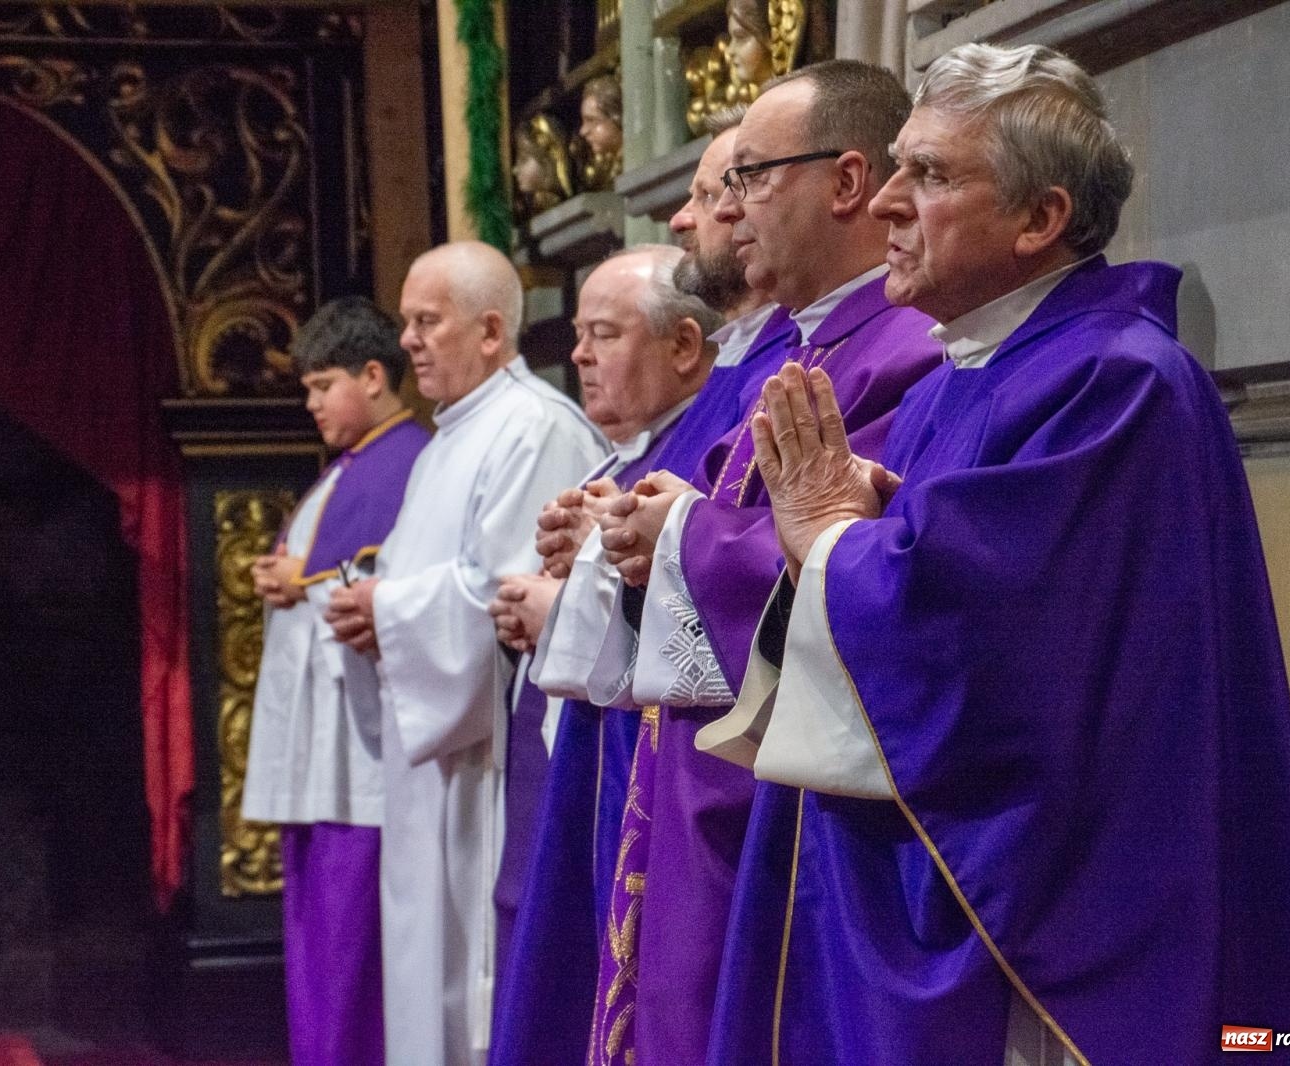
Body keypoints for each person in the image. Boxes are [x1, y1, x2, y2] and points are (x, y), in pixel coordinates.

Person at [707, 42, 1290, 1066]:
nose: (888, 204)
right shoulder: (960, 377)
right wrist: (866, 529)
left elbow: (997, 656)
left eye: (929, 174)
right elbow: (963, 579)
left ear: (1040, 218)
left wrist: (831, 538)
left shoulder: (1114, 382)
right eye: (898, 166)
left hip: (1067, 914)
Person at [581, 61, 944, 1065]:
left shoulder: (903, 350)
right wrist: (644, 526)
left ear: (846, 181)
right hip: (713, 772)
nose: (726, 209)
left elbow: (859, 563)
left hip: (783, 797)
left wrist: (678, 536)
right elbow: (733, 510)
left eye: (750, 177)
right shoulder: (802, 349)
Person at [323, 241, 604, 1066]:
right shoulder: (449, 437)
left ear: (489, 331)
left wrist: (389, 609)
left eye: (426, 321)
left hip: (488, 763)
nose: (406, 340)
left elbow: (511, 597)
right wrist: (379, 600)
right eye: (406, 321)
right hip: (436, 754)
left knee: (471, 975)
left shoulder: (534, 428)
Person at [485, 244, 723, 1066]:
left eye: (604, 334)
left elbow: (717, 600)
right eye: (580, 334)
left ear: (684, 346)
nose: (580, 355)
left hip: (660, 774)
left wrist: (565, 597)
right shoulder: (626, 454)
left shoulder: (699, 440)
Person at [241, 296, 429, 1066]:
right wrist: (285, 577)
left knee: (354, 952)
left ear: (374, 376)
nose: (312, 404)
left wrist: (305, 583)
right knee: (320, 949)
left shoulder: (410, 462)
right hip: (320, 764)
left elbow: (400, 588)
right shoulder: (347, 470)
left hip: (362, 763)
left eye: (324, 386)